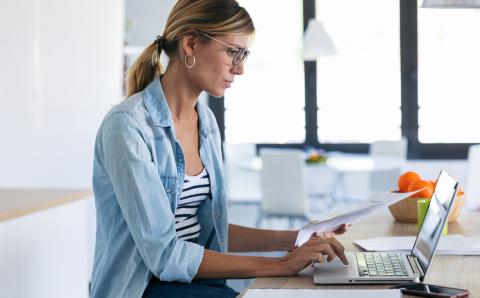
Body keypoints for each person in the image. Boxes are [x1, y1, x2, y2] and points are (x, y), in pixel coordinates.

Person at [90, 1, 348, 297]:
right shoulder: (127, 126)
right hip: (143, 288)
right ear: (190, 44)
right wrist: (280, 265)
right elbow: (164, 255)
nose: (240, 69)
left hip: (197, 283)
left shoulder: (206, 121)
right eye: (233, 52)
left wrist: (298, 238)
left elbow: (210, 229)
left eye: (244, 55)